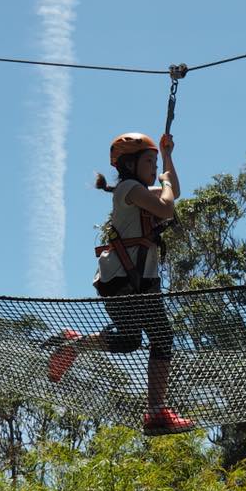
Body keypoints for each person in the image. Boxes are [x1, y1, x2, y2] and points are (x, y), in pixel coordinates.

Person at [45, 132, 195, 436]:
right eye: (148, 162)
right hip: (128, 281)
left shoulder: (136, 189)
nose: (153, 169)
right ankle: (155, 413)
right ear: (128, 164)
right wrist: (164, 181)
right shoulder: (128, 188)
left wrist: (167, 157)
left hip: (131, 281)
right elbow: (167, 207)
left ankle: (73, 344)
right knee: (162, 338)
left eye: (154, 164)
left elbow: (173, 192)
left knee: (130, 341)